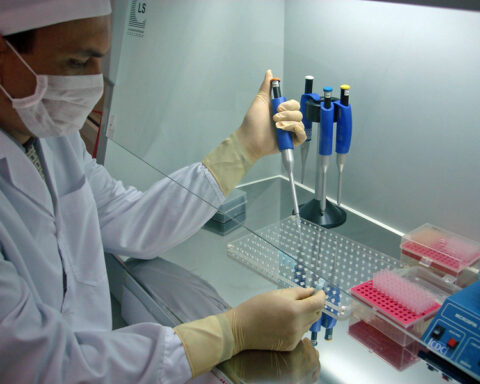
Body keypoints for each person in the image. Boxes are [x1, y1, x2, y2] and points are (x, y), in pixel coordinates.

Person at [0, 1, 326, 383]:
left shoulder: (53, 139)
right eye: (76, 62)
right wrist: (230, 332)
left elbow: (130, 222)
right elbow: (48, 369)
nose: (94, 85)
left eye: (99, 61)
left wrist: (244, 148)